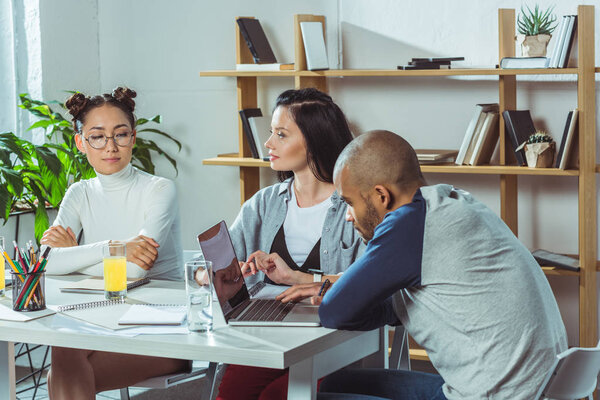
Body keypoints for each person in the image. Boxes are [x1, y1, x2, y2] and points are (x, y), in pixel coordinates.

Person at [316, 130, 567, 400]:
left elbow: (334, 312)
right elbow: (396, 309)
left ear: (381, 196)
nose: (347, 217)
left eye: (350, 202)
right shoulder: (455, 202)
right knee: (335, 383)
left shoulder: (408, 225)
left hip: (495, 396)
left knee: (314, 395)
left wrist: (344, 295)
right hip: (538, 389)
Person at [216, 88, 365, 400]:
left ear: (314, 140)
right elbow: (223, 263)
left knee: (277, 396)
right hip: (269, 332)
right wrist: (216, 277)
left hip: (332, 337)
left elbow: (368, 285)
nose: (269, 143)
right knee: (232, 391)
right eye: (272, 132)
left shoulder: (356, 207)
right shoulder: (263, 203)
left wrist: (298, 279)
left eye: (281, 134)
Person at [46, 88, 188, 399]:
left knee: (62, 367)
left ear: (133, 138)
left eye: (120, 134)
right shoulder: (79, 193)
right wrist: (115, 248)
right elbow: (46, 261)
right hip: (101, 316)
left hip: (162, 325)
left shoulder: (159, 189)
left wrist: (73, 255)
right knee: (64, 355)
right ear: (81, 143)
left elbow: (135, 270)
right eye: (97, 136)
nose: (111, 146)